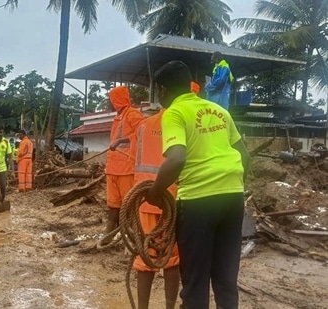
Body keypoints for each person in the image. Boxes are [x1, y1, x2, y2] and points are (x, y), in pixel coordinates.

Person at [146, 60, 250, 309]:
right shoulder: (219, 111)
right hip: (233, 198)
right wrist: (229, 185)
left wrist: (154, 192)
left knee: (195, 280)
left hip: (198, 202)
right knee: (225, 278)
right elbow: (244, 156)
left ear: (162, 90)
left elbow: (177, 158)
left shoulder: (175, 113)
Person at [111, 108, 180, 309]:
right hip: (173, 200)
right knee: (172, 259)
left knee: (144, 257)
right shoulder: (182, 121)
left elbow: (134, 159)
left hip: (145, 201)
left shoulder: (143, 125)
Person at [103, 85, 145, 242]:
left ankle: (132, 236)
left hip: (126, 168)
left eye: (111, 99)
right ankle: (109, 233)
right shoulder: (118, 117)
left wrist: (121, 140)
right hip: (113, 168)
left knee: (129, 204)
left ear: (117, 100)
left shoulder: (133, 114)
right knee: (113, 203)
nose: (109, 102)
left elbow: (142, 133)